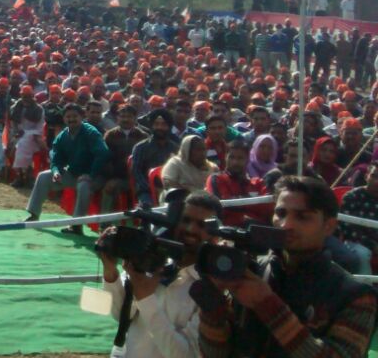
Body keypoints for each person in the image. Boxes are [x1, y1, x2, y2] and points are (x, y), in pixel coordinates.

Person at [197, 176, 378, 357]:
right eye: (281, 214)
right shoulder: (251, 272)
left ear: (329, 226)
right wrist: (212, 309)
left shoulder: (356, 296)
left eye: (303, 216)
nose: (286, 224)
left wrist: (266, 304)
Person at [96, 191, 223, 358]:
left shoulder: (212, 284)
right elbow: (120, 314)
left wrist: (145, 298)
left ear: (215, 234)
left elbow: (185, 355)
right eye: (186, 220)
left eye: (202, 225)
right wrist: (110, 272)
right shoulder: (152, 260)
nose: (191, 229)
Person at [25, 103, 110, 234]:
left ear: (81, 117)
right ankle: (34, 215)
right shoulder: (63, 136)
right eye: (68, 117)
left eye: (74, 116)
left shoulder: (90, 132)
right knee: (43, 177)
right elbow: (56, 158)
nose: (71, 119)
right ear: (64, 119)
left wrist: (91, 175)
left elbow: (103, 153)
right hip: (74, 174)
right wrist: (56, 172)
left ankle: (76, 225)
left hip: (96, 177)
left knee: (83, 185)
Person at [204, 140, 269, 227]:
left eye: (240, 158)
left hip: (257, 231)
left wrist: (237, 204)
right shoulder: (216, 179)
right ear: (225, 157)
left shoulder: (257, 183)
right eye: (231, 157)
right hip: (228, 231)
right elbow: (219, 207)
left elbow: (267, 208)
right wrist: (253, 204)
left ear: (247, 160)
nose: (235, 162)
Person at [337, 163, 378, 274]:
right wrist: (373, 246)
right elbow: (347, 228)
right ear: (366, 176)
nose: (376, 181)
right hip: (356, 241)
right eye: (374, 176)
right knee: (362, 254)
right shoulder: (352, 197)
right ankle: (366, 289)